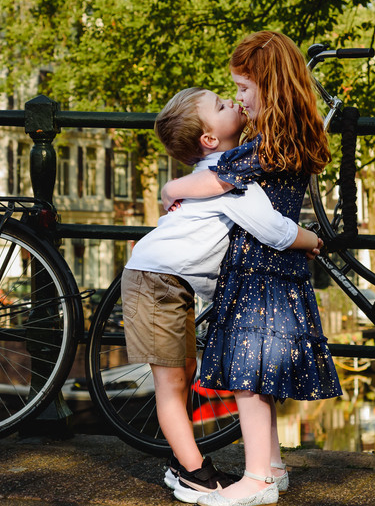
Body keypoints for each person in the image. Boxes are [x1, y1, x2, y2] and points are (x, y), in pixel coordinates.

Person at [160, 31, 341, 506]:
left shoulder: (265, 148)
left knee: (249, 379)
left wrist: (170, 189)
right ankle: (273, 467)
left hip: (260, 271)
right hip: (274, 270)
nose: (238, 97)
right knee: (258, 373)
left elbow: (214, 180)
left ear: (269, 86)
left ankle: (258, 479)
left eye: (243, 87)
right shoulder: (287, 136)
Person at [124, 86, 324, 504]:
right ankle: (193, 472)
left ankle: (187, 462)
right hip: (155, 279)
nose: (232, 101)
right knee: (172, 383)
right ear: (210, 138)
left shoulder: (224, 168)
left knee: (183, 373)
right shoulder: (228, 180)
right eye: (221, 104)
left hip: (167, 279)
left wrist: (171, 188)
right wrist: (309, 239)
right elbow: (271, 228)